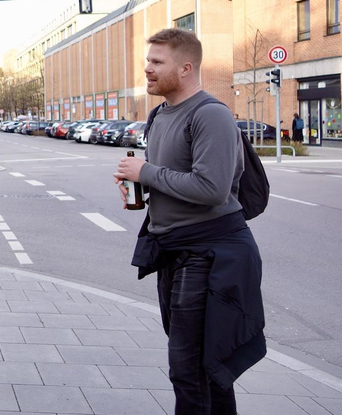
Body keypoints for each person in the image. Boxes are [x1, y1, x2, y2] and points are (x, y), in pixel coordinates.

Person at [113, 28, 266, 414]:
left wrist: (145, 173)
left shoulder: (209, 114)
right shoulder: (159, 115)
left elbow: (212, 189)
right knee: (201, 367)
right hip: (174, 250)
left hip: (211, 253)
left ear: (185, 68)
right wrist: (141, 191)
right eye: (148, 61)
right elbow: (174, 179)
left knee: (191, 368)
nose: (147, 69)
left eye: (156, 62)